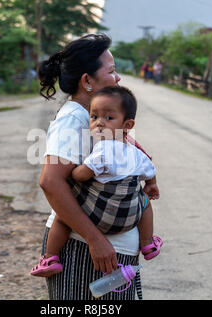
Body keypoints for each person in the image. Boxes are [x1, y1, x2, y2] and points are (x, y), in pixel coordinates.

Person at [36, 33, 156, 300]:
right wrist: (95, 239)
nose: (118, 78)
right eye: (111, 71)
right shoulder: (73, 120)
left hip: (107, 250)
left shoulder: (98, 118)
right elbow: (50, 181)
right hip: (84, 249)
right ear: (87, 81)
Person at [30, 86, 163, 279]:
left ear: (127, 124)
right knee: (144, 202)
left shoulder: (102, 150)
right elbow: (150, 170)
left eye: (108, 118)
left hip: (99, 217)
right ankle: (148, 243)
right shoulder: (135, 152)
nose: (99, 123)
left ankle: (50, 257)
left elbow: (81, 175)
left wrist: (73, 173)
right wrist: (151, 184)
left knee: (63, 215)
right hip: (126, 220)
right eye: (94, 117)